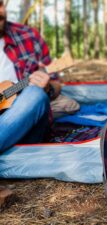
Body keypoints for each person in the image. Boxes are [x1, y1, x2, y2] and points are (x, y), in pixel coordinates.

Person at [0, 0, 61, 152]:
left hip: (25, 125)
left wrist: (48, 86)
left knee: (35, 94)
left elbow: (57, 84)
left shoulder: (29, 36)